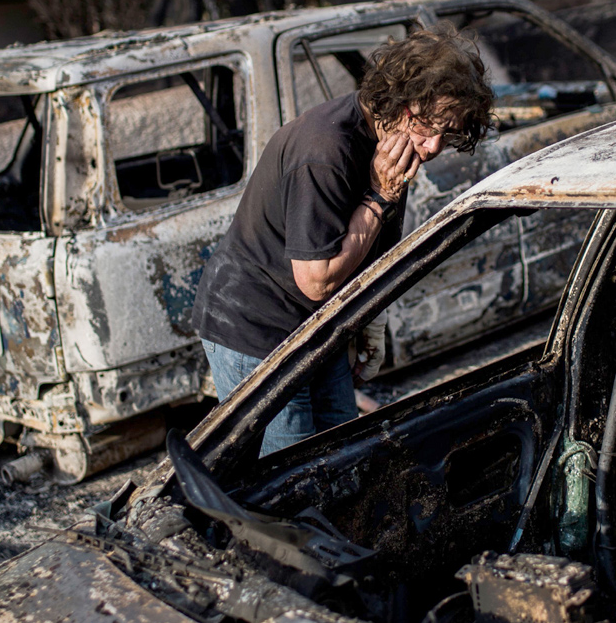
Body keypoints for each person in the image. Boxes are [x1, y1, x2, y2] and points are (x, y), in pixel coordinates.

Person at [190, 23, 494, 455]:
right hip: (256, 329)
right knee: (289, 475)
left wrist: (370, 322)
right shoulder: (325, 150)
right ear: (398, 99)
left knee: (339, 454)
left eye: (449, 134)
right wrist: (379, 195)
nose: (431, 148)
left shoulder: (392, 142)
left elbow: (377, 243)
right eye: (429, 128)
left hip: (317, 325)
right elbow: (316, 280)